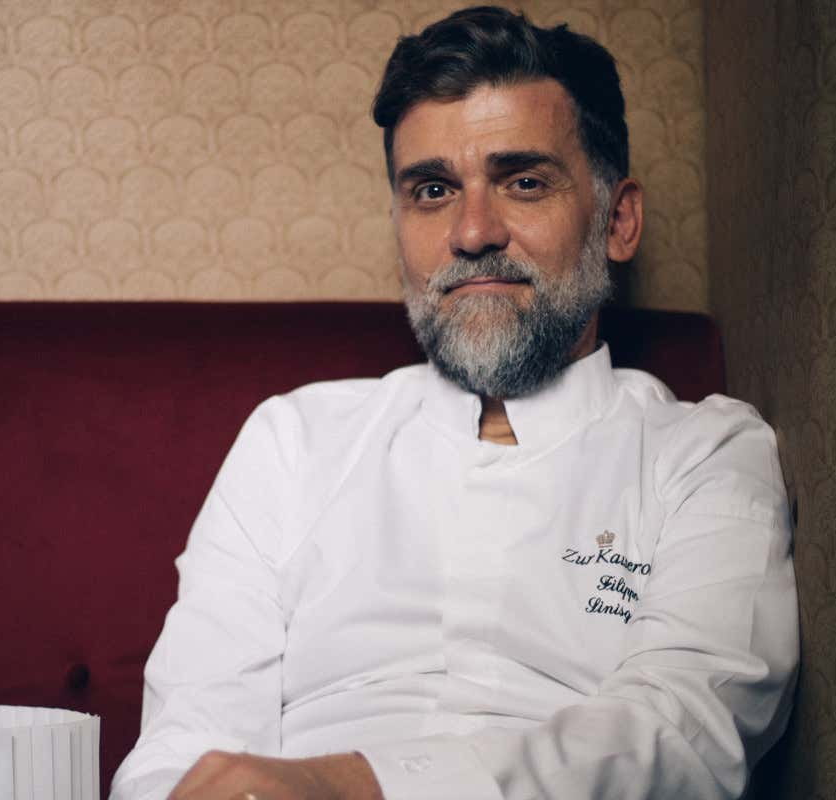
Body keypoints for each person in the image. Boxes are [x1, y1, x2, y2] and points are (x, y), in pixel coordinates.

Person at [110, 6, 798, 800]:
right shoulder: (293, 441)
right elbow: (184, 745)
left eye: (524, 182)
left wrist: (358, 789)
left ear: (619, 219)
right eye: (433, 190)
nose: (473, 233)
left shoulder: (706, 456)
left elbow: (684, 736)